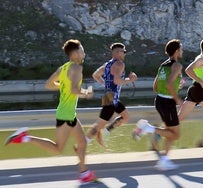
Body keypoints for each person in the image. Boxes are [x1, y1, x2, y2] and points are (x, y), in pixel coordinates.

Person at [4, 39, 96, 184]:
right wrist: (87, 93)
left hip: (68, 113)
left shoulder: (63, 68)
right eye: (82, 50)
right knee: (58, 148)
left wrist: (64, 86)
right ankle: (25, 137)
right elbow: (74, 90)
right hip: (66, 114)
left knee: (82, 142)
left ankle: (84, 173)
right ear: (76, 53)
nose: (84, 53)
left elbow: (49, 84)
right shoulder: (77, 68)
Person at [133, 39, 183, 171]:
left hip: (159, 101)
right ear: (177, 51)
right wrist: (177, 98)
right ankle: (147, 128)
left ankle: (164, 160)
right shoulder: (177, 66)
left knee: (169, 132)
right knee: (176, 134)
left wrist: (176, 87)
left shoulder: (162, 66)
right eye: (181, 49)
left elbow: (155, 87)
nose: (182, 51)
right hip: (168, 102)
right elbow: (169, 84)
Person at [86, 42, 137, 145]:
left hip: (110, 97)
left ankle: (105, 131)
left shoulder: (108, 64)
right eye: (124, 52)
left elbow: (95, 75)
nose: (124, 54)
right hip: (111, 99)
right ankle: (83, 143)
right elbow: (117, 81)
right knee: (98, 125)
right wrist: (130, 80)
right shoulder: (119, 64)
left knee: (125, 117)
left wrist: (105, 83)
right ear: (118, 53)